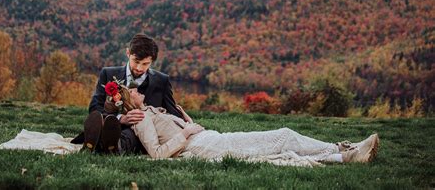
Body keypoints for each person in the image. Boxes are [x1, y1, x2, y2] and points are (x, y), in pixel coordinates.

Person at [117, 85, 380, 167]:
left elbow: (172, 132)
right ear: (129, 101)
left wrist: (185, 122)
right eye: (132, 90)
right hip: (204, 146)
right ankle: (345, 155)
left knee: (282, 140)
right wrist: (186, 132)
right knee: (282, 138)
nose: (138, 89)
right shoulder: (141, 119)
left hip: (209, 138)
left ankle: (345, 150)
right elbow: (157, 153)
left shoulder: (151, 111)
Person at [73, 33, 184, 154]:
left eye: (145, 64)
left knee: (132, 136)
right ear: (128, 53)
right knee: (112, 129)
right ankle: (104, 142)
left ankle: (105, 145)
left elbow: (172, 112)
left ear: (152, 61)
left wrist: (186, 122)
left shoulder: (162, 81)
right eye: (136, 61)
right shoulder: (108, 74)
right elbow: (95, 108)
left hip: (143, 134)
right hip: (112, 126)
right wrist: (120, 119)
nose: (139, 68)